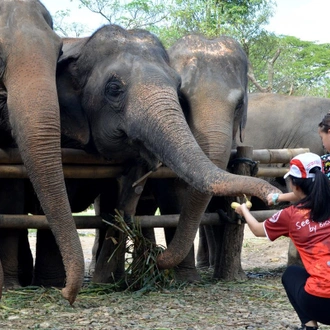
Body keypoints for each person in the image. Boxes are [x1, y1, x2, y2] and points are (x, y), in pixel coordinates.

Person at [235, 152, 330, 330]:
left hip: (319, 303)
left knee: (291, 274)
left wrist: (244, 211)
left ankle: (309, 326)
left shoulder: (291, 216)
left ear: (294, 185)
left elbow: (257, 230)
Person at [267, 112, 330, 207]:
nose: (323, 143)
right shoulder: (324, 161)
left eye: (322, 137)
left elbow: (306, 193)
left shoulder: (323, 162)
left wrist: (278, 197)